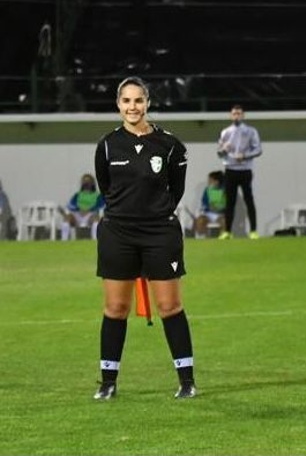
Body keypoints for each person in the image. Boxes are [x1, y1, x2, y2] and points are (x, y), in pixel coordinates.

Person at [91, 76, 197, 400]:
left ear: (148, 103)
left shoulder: (171, 146)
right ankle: (108, 383)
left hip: (160, 233)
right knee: (116, 306)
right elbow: (106, 187)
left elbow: (175, 190)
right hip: (117, 232)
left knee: (169, 305)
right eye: (126, 101)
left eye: (138, 100)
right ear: (118, 104)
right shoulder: (107, 145)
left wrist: (154, 214)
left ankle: (186, 381)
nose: (132, 107)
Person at [216, 104, 262, 239]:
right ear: (231, 115)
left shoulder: (251, 131)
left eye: (239, 113)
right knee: (230, 202)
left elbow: (258, 149)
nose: (236, 116)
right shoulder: (225, 132)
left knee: (249, 199)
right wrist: (223, 148)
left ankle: (253, 231)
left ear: (243, 115)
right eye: (234, 113)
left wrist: (245, 156)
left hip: (245, 169)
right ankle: (227, 232)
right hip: (230, 169)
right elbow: (219, 153)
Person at [61, 173, 106, 241]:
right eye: (84, 181)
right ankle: (63, 241)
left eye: (88, 181)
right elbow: (70, 205)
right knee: (67, 218)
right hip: (78, 214)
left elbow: (101, 206)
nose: (86, 183)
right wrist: (79, 209)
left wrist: (89, 210)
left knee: (97, 219)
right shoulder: (77, 195)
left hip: (90, 215)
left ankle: (95, 240)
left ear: (92, 183)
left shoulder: (98, 196)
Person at [194, 171, 226, 239]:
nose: (208, 182)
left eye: (210, 180)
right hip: (208, 213)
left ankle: (223, 239)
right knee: (200, 221)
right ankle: (202, 239)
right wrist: (209, 207)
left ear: (216, 181)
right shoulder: (207, 190)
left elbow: (226, 204)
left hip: (220, 214)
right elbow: (204, 202)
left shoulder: (225, 190)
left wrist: (218, 209)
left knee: (224, 222)